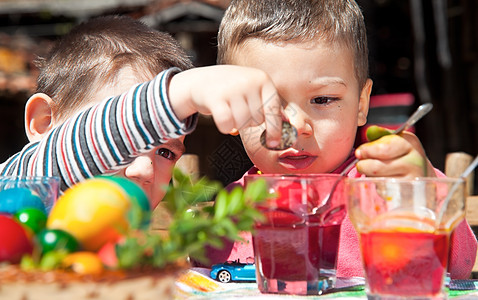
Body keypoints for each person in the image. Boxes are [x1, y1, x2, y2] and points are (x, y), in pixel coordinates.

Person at [207, 0, 477, 279]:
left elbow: (459, 266)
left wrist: (419, 194)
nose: (297, 126)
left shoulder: (387, 185)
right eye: (266, 104)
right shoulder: (232, 205)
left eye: (322, 99)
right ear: (231, 111)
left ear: (361, 104)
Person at [0, 15, 284, 209]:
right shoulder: (16, 190)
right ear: (44, 122)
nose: (144, 170)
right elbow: (56, 165)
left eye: (165, 153)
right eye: (125, 139)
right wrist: (177, 96)